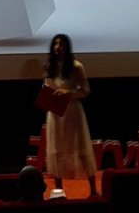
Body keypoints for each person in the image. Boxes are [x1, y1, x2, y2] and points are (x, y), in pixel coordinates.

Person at [42, 33, 98, 196]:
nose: (58, 47)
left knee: (80, 147)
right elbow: (46, 87)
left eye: (61, 44)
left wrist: (68, 93)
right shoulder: (49, 67)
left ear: (67, 47)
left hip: (72, 112)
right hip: (55, 113)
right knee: (57, 149)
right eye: (55, 44)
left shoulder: (76, 66)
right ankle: (59, 192)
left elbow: (86, 90)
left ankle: (93, 190)